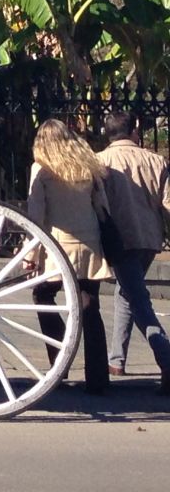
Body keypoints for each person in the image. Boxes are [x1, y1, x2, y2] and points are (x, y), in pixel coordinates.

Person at [26, 118, 111, 394]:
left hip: (57, 246)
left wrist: (30, 252)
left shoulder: (41, 170)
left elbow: (35, 216)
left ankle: (59, 361)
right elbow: (102, 207)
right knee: (89, 307)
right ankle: (98, 378)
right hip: (88, 243)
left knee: (43, 296)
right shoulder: (88, 166)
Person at [96, 112, 170, 391]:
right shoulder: (156, 160)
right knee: (126, 293)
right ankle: (117, 359)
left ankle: (166, 359)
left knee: (139, 302)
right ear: (134, 131)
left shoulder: (100, 161)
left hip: (120, 239)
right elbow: (168, 204)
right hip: (150, 238)